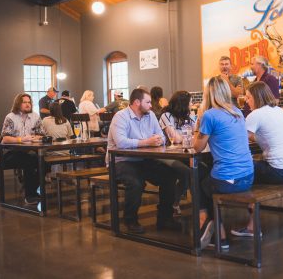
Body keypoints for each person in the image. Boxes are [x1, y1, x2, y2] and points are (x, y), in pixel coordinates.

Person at [231, 81, 283, 238]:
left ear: (257, 97)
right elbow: (259, 134)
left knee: (245, 171)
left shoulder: (255, 114)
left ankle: (252, 227)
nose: (247, 101)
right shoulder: (279, 110)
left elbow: (239, 139)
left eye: (249, 97)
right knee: (253, 166)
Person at [193, 76, 254, 249]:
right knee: (207, 180)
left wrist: (198, 125)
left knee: (198, 181)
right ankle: (211, 226)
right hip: (248, 176)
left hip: (229, 180)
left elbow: (197, 147)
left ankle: (214, 230)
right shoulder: (237, 112)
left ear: (209, 94)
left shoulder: (209, 115)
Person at [107, 88, 180, 234]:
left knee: (170, 175)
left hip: (144, 159)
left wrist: (158, 140)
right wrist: (147, 141)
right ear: (136, 102)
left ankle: (164, 218)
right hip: (121, 160)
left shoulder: (150, 115)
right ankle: (130, 220)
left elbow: (161, 136)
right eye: (147, 102)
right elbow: (121, 142)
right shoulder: (120, 117)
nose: (151, 105)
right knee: (135, 182)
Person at [1, 93, 45, 205]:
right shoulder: (10, 117)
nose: (27, 104)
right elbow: (5, 138)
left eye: (29, 102)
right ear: (18, 104)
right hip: (10, 152)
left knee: (45, 163)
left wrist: (34, 137)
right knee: (30, 162)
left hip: (29, 151)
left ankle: (32, 190)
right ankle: (30, 195)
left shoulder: (35, 116)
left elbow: (41, 134)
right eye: (24, 102)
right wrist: (21, 140)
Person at [158, 91, 195, 215]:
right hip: (166, 154)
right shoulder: (166, 116)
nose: (192, 104)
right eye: (190, 102)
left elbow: (198, 133)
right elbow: (175, 138)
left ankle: (178, 203)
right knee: (187, 172)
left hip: (183, 153)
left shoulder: (188, 117)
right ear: (183, 103)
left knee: (198, 169)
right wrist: (189, 137)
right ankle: (176, 203)